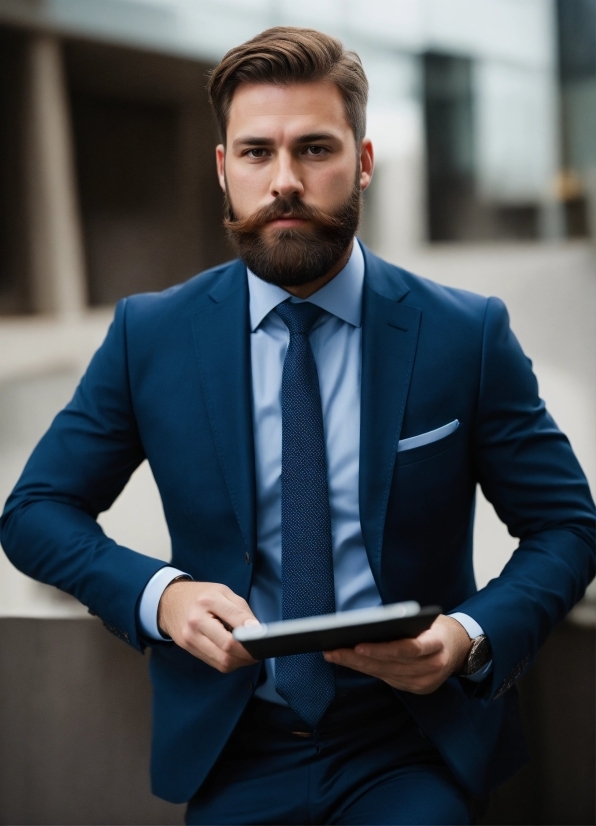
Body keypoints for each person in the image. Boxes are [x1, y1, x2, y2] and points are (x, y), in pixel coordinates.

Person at [1, 27, 594, 826]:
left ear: (364, 161)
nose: (285, 181)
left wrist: (468, 634)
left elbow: (566, 525)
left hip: (411, 743)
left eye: (315, 149)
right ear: (223, 169)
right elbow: (35, 511)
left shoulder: (466, 335)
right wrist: (160, 596)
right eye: (255, 153)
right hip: (233, 744)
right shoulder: (151, 334)